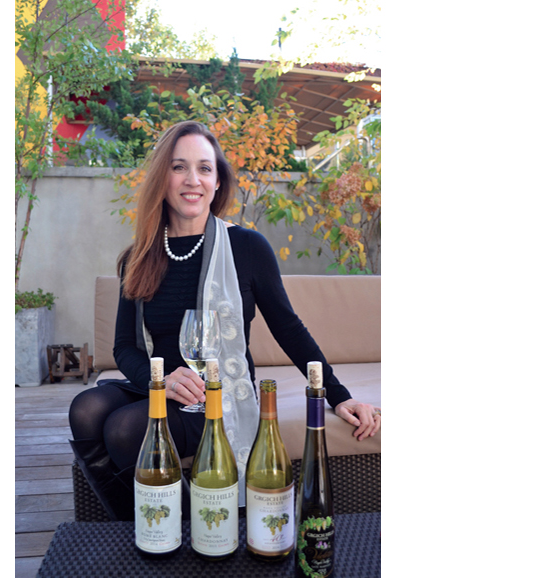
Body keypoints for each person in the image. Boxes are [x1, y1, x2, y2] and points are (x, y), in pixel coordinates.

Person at [68, 120, 380, 521]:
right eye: (178, 167)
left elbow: (288, 328)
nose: (191, 179)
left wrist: (340, 395)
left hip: (217, 392)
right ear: (162, 178)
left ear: (217, 183)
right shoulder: (140, 255)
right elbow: (124, 348)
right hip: (160, 385)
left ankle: (181, 528)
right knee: (85, 409)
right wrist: (158, 381)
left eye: (204, 168)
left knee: (125, 429)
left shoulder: (247, 248)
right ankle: (144, 525)